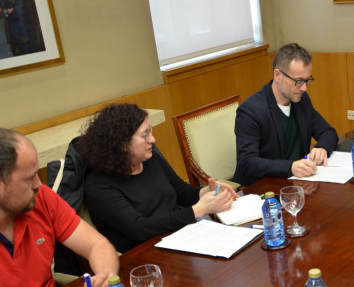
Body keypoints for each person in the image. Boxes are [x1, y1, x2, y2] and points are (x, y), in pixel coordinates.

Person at [0, 127, 119, 287]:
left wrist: (106, 275)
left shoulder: (39, 199)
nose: (38, 184)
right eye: (29, 177)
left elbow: (96, 245)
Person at [79, 103, 238, 253]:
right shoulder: (99, 185)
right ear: (122, 144)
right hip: (146, 256)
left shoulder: (149, 158)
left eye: (150, 131)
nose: (153, 140)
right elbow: (140, 228)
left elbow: (182, 192)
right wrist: (198, 210)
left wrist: (206, 192)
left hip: (183, 237)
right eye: (144, 135)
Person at [233, 43, 338, 186]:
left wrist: (322, 148)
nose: (304, 88)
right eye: (298, 81)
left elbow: (328, 132)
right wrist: (290, 167)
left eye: (307, 81)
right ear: (278, 75)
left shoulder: (300, 100)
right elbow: (247, 163)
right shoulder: (251, 111)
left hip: (298, 183)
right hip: (262, 189)